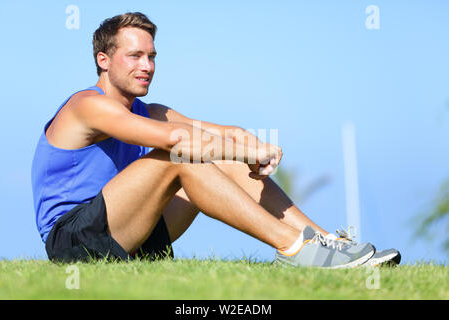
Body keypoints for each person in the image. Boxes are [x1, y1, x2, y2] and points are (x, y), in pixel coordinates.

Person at [31, 12, 400, 268]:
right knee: (178, 157)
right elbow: (179, 140)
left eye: (152, 56)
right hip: (75, 241)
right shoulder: (88, 106)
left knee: (220, 156)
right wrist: (245, 150)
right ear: (104, 60)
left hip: (128, 237)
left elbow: (226, 135)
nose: (147, 66)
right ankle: (293, 247)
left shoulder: (148, 110)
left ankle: (328, 244)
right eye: (135, 56)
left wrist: (255, 148)